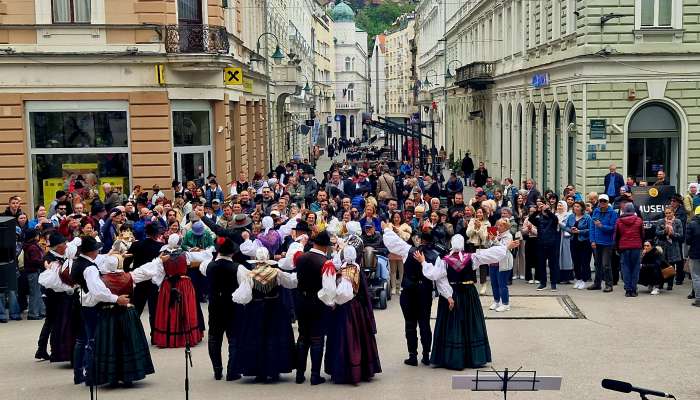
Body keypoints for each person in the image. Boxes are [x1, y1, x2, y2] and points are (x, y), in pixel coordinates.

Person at [418, 234, 519, 370]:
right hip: (468, 293)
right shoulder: (471, 257)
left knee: (451, 324)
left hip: (453, 292)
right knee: (470, 322)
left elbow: (434, 275)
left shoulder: (444, 260)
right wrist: (506, 247)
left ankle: (452, 357)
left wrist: (423, 262)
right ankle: (471, 357)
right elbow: (491, 254)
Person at [70, 236, 131, 385]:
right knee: (93, 341)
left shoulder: (78, 262)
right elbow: (98, 291)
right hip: (90, 306)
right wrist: (116, 299)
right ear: (91, 251)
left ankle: (78, 374)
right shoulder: (89, 268)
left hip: (78, 302)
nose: (98, 251)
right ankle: (91, 375)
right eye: (96, 249)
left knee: (81, 339)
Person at [231, 247, 297, 382]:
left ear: (255, 260)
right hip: (275, 309)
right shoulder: (277, 272)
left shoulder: (250, 275)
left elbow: (242, 297)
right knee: (274, 337)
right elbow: (292, 283)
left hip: (256, 310)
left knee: (256, 338)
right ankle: (274, 369)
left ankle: (258, 370)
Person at [130, 234, 207, 348]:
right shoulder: (186, 255)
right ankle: (185, 336)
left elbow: (153, 273)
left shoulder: (163, 257)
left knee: (169, 310)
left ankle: (169, 337)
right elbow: (204, 257)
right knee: (185, 308)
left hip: (168, 285)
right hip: (184, 284)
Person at [319, 245, 382, 384]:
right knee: (359, 337)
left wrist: (333, 302)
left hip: (346, 308)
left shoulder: (347, 271)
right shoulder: (356, 268)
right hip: (357, 309)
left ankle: (347, 371)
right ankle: (362, 369)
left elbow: (344, 293)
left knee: (345, 338)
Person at [91, 254, 155, 387]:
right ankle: (128, 376)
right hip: (127, 313)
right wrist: (159, 260)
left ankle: (111, 376)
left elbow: (93, 297)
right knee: (128, 342)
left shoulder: (100, 280)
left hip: (107, 314)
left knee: (110, 343)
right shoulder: (130, 276)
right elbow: (149, 270)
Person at [382, 223, 440, 367]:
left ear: (420, 239)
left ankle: (412, 356)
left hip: (408, 291)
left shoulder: (409, 250)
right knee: (425, 323)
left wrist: (387, 229)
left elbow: (391, 242)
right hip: (424, 291)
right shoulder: (436, 256)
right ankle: (426, 355)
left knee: (410, 324)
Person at [199, 236, 242, 381]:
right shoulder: (238, 268)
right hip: (232, 305)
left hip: (215, 304)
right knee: (234, 339)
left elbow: (203, 270)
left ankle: (217, 370)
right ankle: (232, 371)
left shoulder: (208, 265)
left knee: (214, 338)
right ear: (232, 253)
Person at [294, 230, 333, 385]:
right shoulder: (325, 262)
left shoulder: (301, 257)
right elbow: (328, 290)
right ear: (325, 247)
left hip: (301, 300)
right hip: (316, 302)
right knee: (317, 338)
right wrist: (328, 302)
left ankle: (299, 374)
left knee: (303, 336)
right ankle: (315, 375)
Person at [127, 222, 162, 339]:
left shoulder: (136, 245)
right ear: (157, 234)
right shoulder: (160, 247)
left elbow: (126, 262)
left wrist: (131, 273)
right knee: (154, 311)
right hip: (154, 282)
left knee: (136, 310)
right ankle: (155, 336)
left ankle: (132, 336)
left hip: (139, 280)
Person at [588, 194, 618, 292]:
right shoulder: (596, 211)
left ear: (608, 202)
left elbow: (613, 228)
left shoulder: (612, 213)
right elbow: (592, 227)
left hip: (607, 243)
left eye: (604, 201)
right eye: (601, 201)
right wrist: (592, 240)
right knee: (598, 264)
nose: (602, 203)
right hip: (597, 242)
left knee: (606, 264)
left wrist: (601, 226)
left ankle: (609, 284)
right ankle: (597, 283)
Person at [615, 203, 644, 297]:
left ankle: (628, 290)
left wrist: (617, 247)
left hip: (624, 247)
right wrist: (641, 245)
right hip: (636, 247)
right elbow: (642, 235)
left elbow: (616, 236)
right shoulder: (639, 220)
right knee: (635, 268)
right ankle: (634, 289)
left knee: (625, 268)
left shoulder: (619, 221)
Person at [531, 198, 560, 291]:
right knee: (541, 264)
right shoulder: (539, 219)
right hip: (541, 244)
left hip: (552, 244)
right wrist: (538, 211)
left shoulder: (553, 218)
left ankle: (553, 284)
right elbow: (531, 219)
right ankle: (543, 283)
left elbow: (555, 218)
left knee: (553, 264)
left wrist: (547, 210)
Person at [485, 219, 514, 312]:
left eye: (500, 225)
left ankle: (506, 303)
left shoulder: (509, 236)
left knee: (502, 284)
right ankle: (496, 301)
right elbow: (487, 246)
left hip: (503, 263)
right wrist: (488, 239)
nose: (498, 227)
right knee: (494, 284)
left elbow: (504, 248)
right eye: (497, 225)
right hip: (493, 262)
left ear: (506, 227)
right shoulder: (496, 234)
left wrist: (495, 240)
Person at [564, 201, 592, 290]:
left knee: (584, 261)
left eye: (578, 206)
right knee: (576, 261)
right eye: (574, 206)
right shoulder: (571, 217)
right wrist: (571, 230)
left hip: (584, 242)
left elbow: (590, 229)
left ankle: (584, 280)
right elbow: (566, 227)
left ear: (582, 208)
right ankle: (578, 279)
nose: (576, 208)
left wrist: (579, 231)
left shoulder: (587, 217)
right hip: (573, 241)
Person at [655, 206, 683, 291]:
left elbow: (680, 235)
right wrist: (665, 231)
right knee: (662, 265)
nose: (668, 215)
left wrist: (672, 234)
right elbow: (657, 233)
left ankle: (670, 284)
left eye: (669, 212)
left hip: (673, 246)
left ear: (673, 212)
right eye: (666, 213)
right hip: (663, 246)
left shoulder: (678, 221)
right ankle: (661, 283)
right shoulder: (661, 221)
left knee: (671, 266)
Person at [555, 201, 574, 284]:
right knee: (557, 256)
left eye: (561, 206)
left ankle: (566, 277)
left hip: (565, 238)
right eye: (558, 206)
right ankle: (558, 277)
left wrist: (559, 222)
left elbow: (568, 227)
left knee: (566, 256)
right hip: (556, 237)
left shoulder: (568, 215)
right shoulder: (555, 215)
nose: (559, 207)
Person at [686, 206, 700, 306]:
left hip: (695, 253)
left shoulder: (691, 224)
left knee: (696, 276)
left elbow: (688, 241)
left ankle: (698, 299)